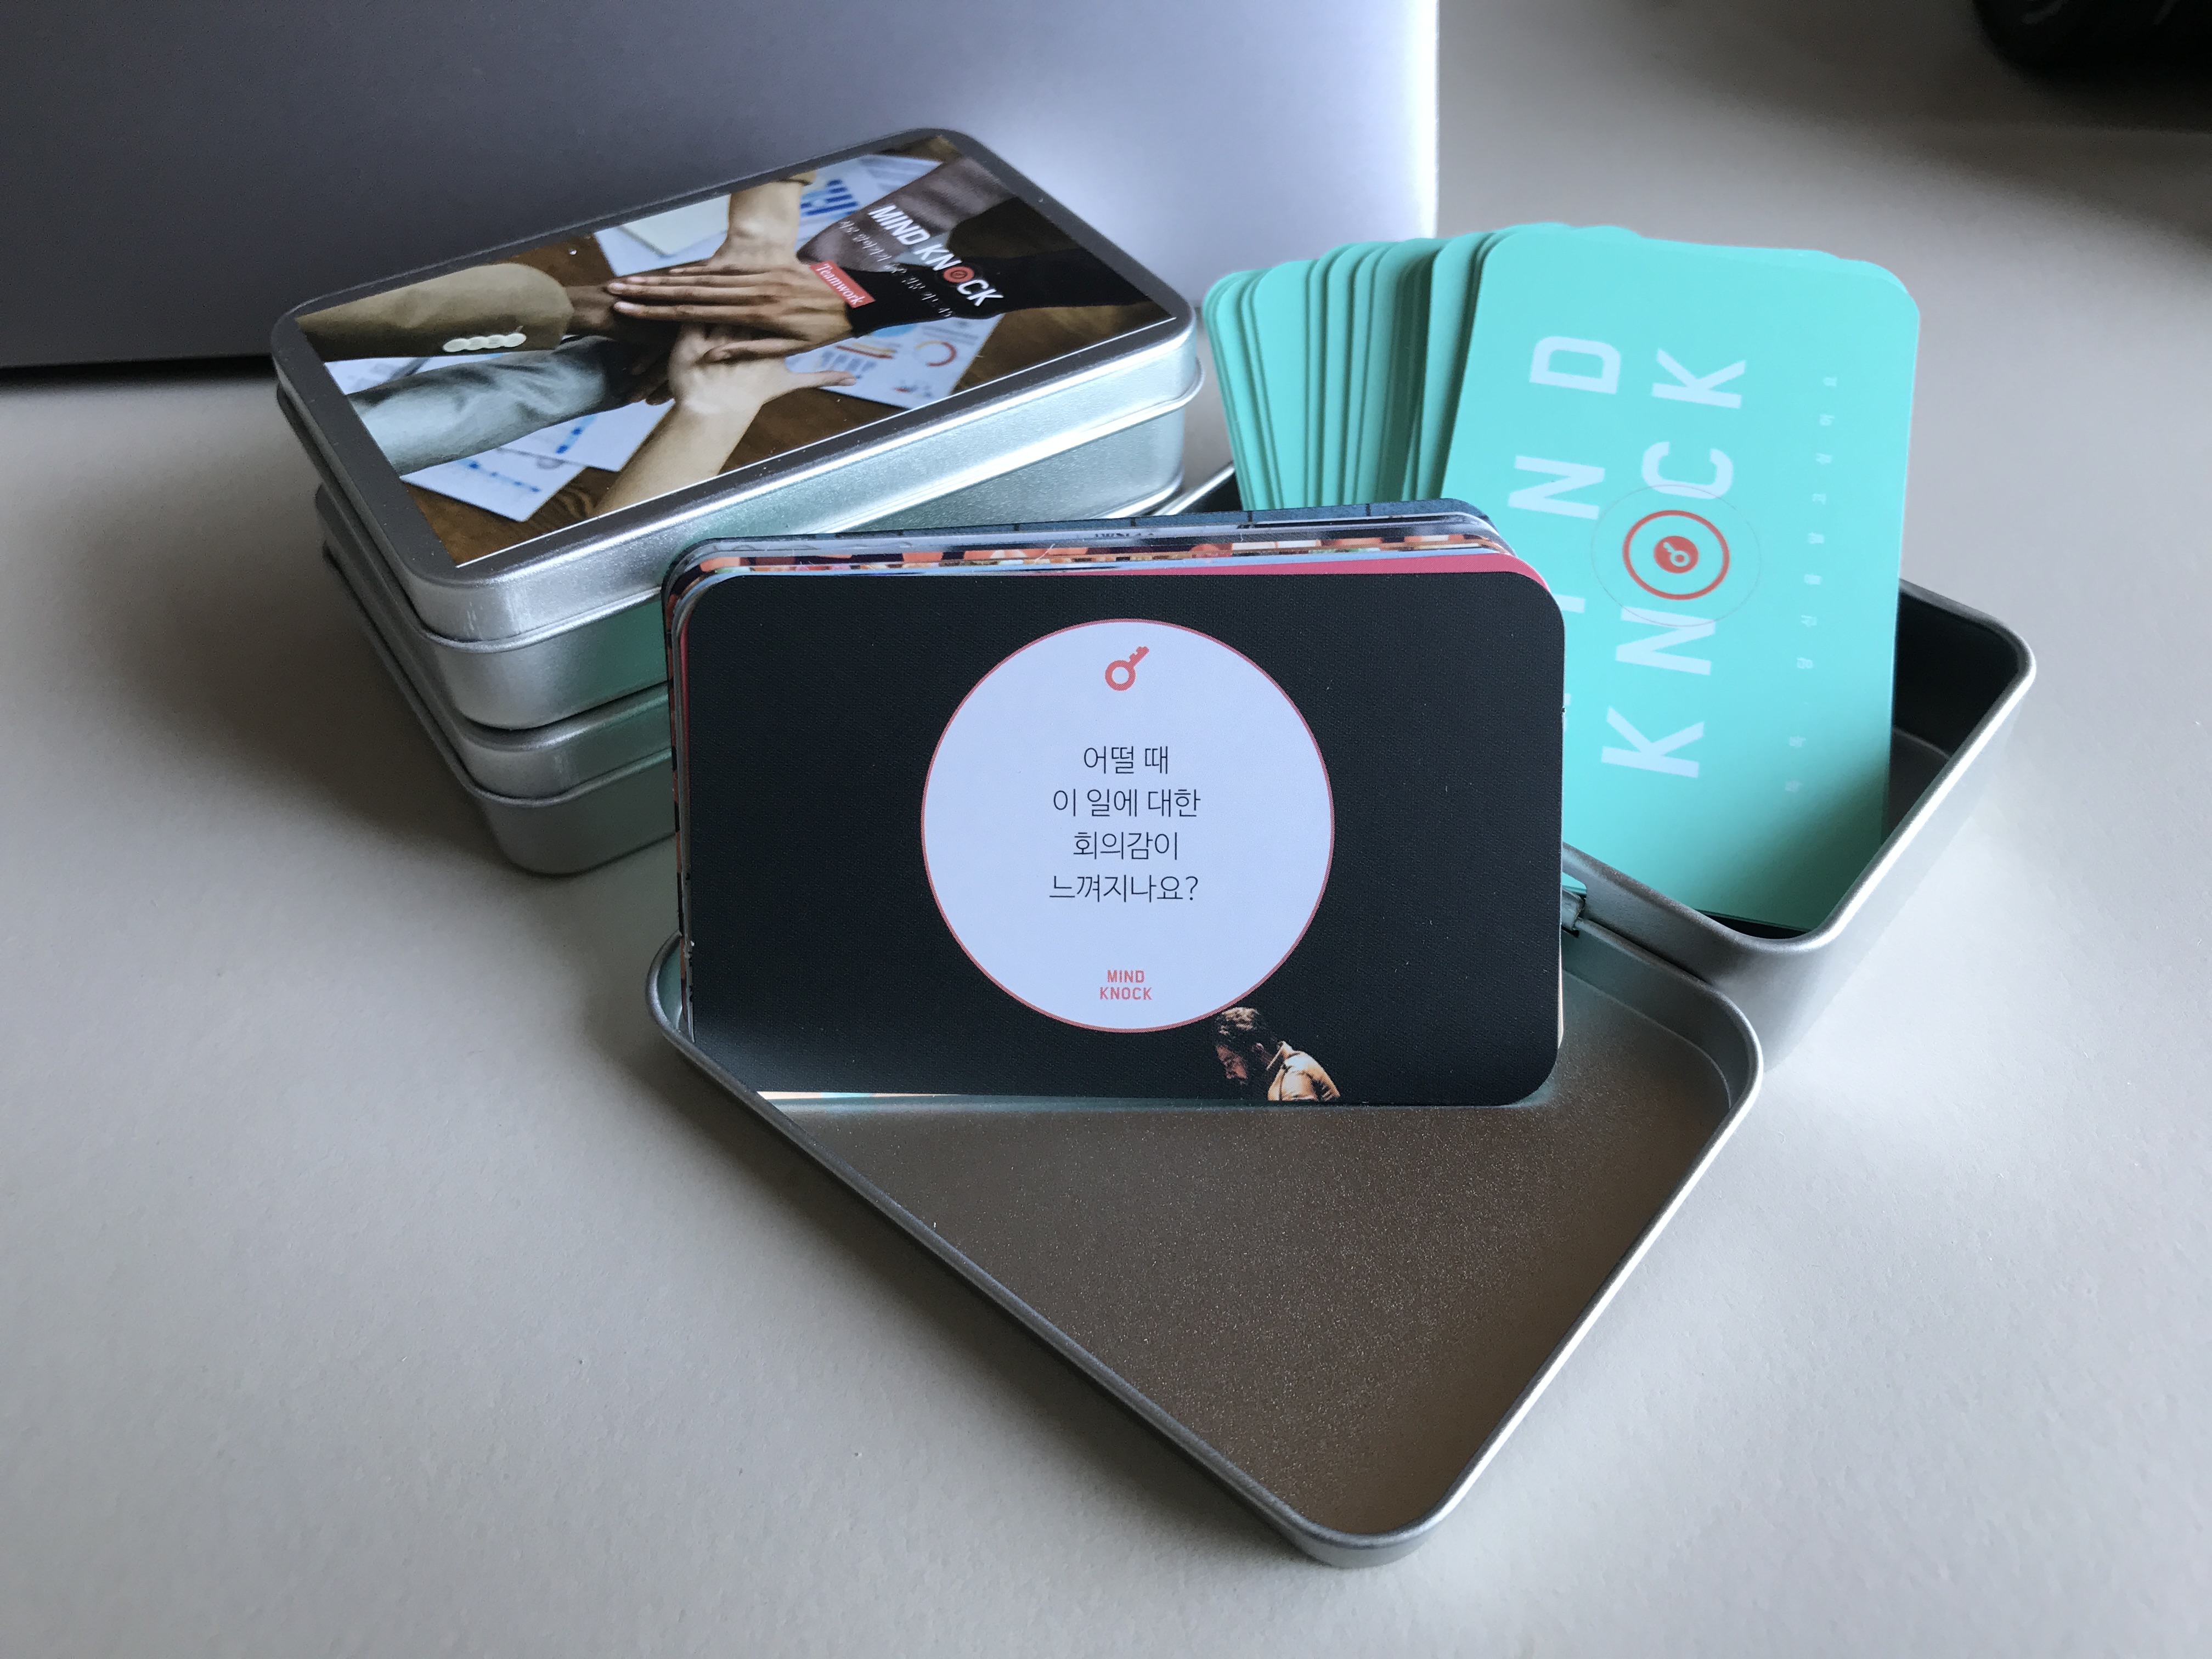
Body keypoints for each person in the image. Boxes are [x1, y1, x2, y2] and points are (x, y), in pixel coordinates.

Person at [1211, 1007, 1340, 1103]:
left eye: (1230, 1063)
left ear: (1257, 1051)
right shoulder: (1281, 1075)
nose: (1228, 1075)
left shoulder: (1293, 1080)